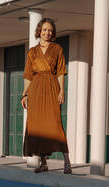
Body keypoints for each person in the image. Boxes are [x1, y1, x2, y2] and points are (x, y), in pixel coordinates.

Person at [21, 18, 72, 174]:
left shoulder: (57, 49)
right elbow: (28, 75)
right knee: (37, 127)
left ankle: (67, 162)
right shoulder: (32, 52)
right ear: (39, 31)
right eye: (44, 30)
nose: (47, 33)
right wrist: (24, 94)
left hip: (51, 87)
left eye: (50, 30)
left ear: (53, 32)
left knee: (55, 124)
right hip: (35, 89)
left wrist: (62, 90)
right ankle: (43, 163)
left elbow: (61, 72)